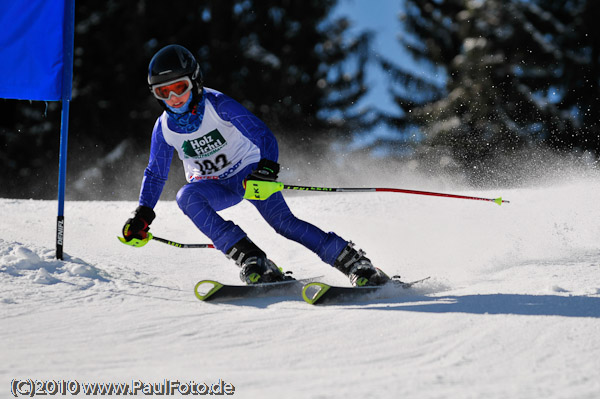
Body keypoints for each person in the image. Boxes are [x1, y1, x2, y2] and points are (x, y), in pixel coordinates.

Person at [121, 44, 389, 287]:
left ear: (194, 81)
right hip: (212, 187)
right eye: (162, 92)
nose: (173, 98)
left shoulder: (218, 105)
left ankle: (353, 261)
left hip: (248, 175)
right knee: (186, 198)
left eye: (179, 87)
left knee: (283, 223)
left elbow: (262, 135)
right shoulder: (164, 128)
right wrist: (143, 213)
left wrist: (267, 168)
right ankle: (253, 260)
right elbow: (155, 173)